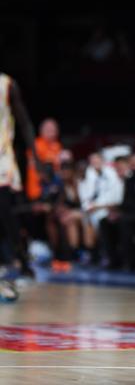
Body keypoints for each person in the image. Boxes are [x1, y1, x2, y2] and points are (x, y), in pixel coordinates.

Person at [0, 72, 44, 300]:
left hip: (2, 157)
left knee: (5, 212)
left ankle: (24, 262)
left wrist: (35, 158)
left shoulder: (7, 84)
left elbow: (25, 122)